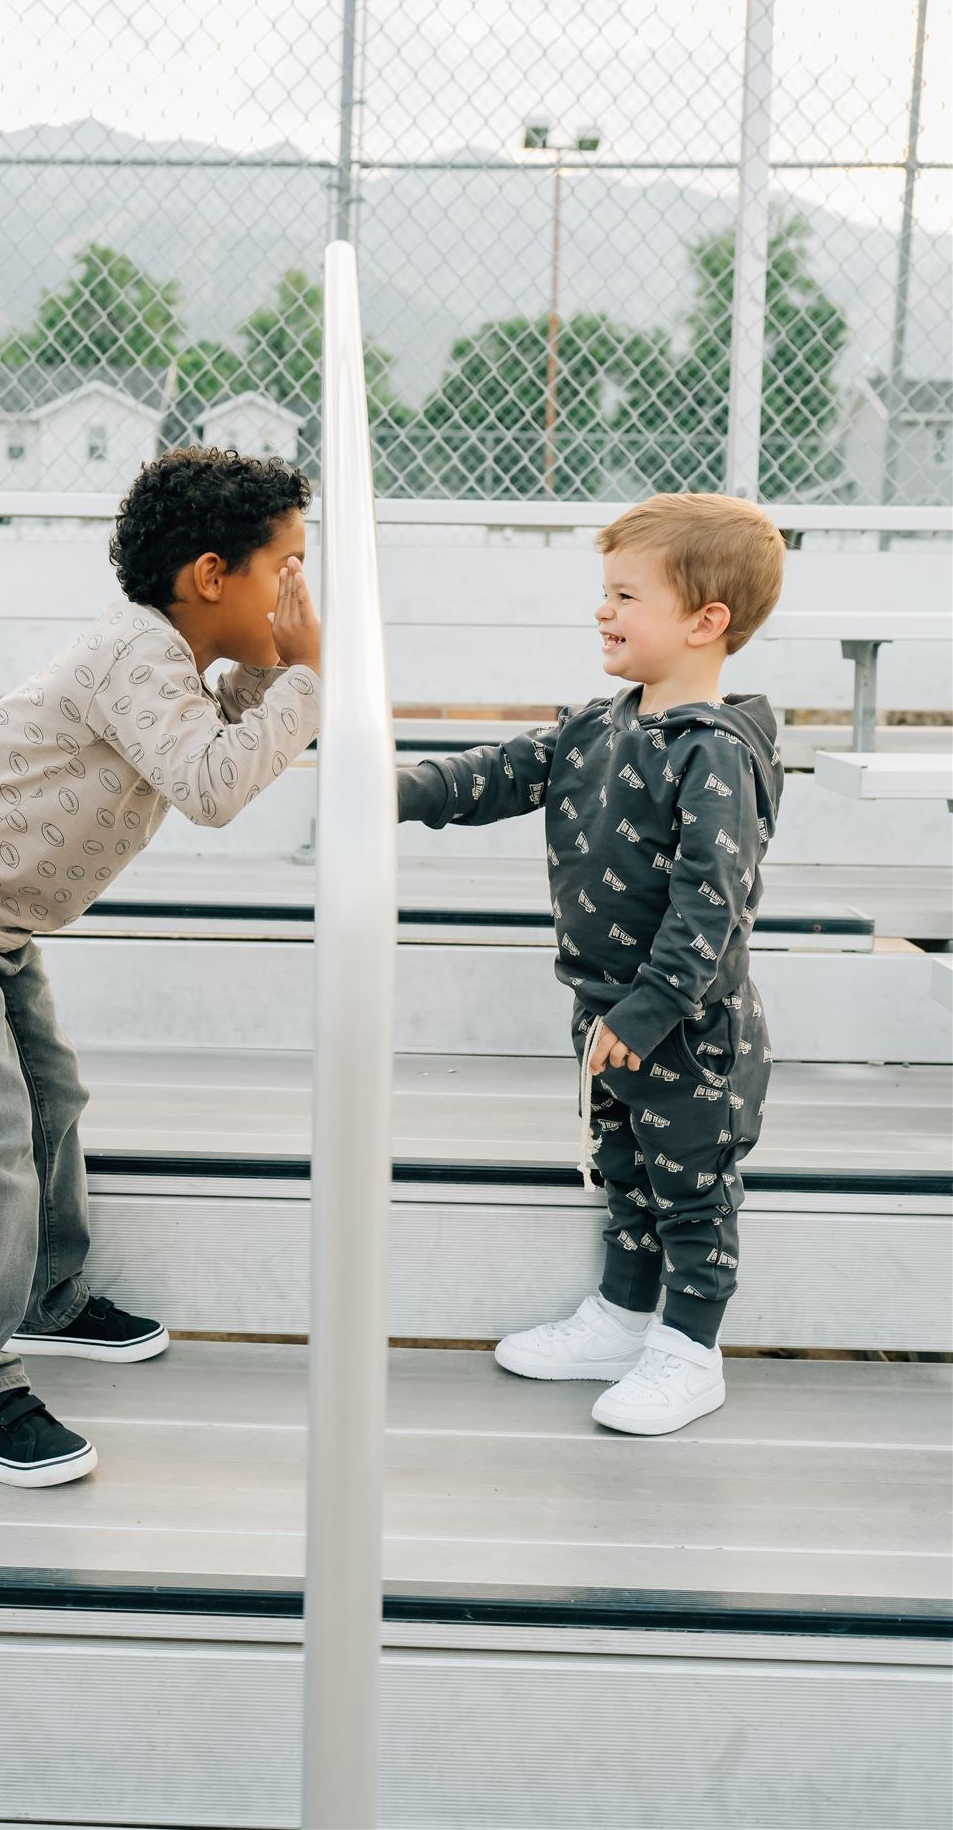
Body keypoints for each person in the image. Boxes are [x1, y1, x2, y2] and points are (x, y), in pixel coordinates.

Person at [0, 447, 321, 1486]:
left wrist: (283, 671)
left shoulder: (170, 658)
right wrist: (310, 678)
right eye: (286, 564)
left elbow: (227, 722)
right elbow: (212, 782)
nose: (298, 587)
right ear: (209, 576)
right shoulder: (138, 655)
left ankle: (49, 1293)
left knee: (52, 1095)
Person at [398, 492, 787, 1435]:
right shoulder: (595, 725)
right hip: (604, 1015)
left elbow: (711, 904)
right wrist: (388, 788)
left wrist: (648, 1012)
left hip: (686, 1028)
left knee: (690, 1192)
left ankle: (689, 1351)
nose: (601, 611)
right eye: (603, 592)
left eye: (624, 596)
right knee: (622, 1175)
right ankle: (619, 1320)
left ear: (705, 622)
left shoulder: (715, 756)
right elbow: (487, 776)